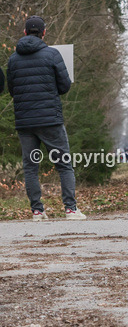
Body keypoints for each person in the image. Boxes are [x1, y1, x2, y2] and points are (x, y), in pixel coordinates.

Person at [6, 15, 86, 220]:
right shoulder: (52, 54)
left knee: (31, 167)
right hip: (50, 119)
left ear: (24, 33)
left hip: (25, 122)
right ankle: (70, 209)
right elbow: (64, 86)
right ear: (44, 33)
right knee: (64, 164)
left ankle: (37, 211)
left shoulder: (13, 59)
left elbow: (12, 90)